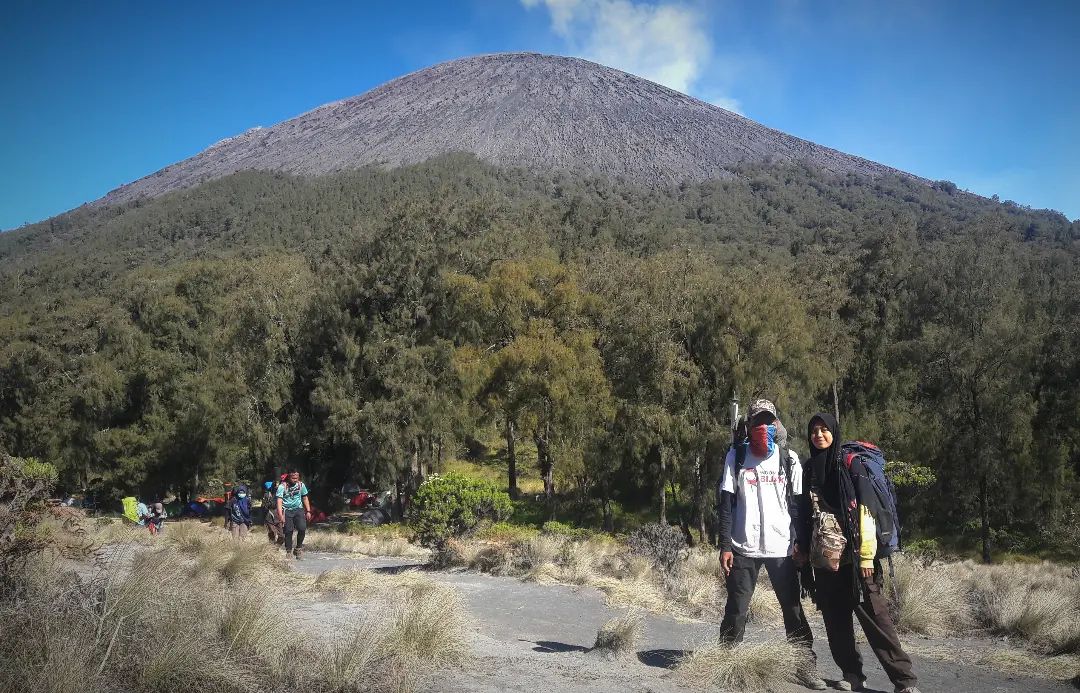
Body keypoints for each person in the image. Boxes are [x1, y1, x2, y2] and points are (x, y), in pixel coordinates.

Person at [795, 413, 920, 693]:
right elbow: (805, 513)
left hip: (858, 562)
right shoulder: (810, 470)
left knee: (877, 622)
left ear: (834, 432)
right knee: (836, 623)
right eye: (814, 430)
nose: (818, 434)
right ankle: (853, 676)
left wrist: (866, 556)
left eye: (824, 429)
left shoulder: (850, 466)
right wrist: (801, 548)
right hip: (826, 561)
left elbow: (866, 512)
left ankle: (905, 682)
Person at [716, 399, 825, 690]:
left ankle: (804, 666)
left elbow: (799, 508)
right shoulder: (736, 456)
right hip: (744, 547)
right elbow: (726, 503)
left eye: (769, 420)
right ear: (749, 425)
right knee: (736, 609)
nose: (763, 426)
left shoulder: (789, 459)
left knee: (792, 610)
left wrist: (800, 543)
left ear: (776, 425)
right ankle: (726, 662)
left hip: (782, 548)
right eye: (757, 421)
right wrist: (725, 545)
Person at [277, 470, 311, 559]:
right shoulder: (282, 487)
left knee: (302, 528)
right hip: (287, 510)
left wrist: (308, 511)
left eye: (297, 478)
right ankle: (288, 551)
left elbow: (305, 498)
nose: (295, 480)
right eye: (293, 478)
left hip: (298, 509)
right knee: (288, 531)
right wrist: (280, 515)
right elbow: (279, 501)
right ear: (289, 477)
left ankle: (298, 549)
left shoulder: (301, 485)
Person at [263, 480, 284, 545]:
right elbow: (264, 506)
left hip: (279, 516)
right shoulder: (267, 494)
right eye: (276, 485)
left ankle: (276, 547)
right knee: (272, 533)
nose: (277, 487)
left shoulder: (282, 493)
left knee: (281, 536)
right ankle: (271, 548)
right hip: (269, 516)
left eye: (278, 486)